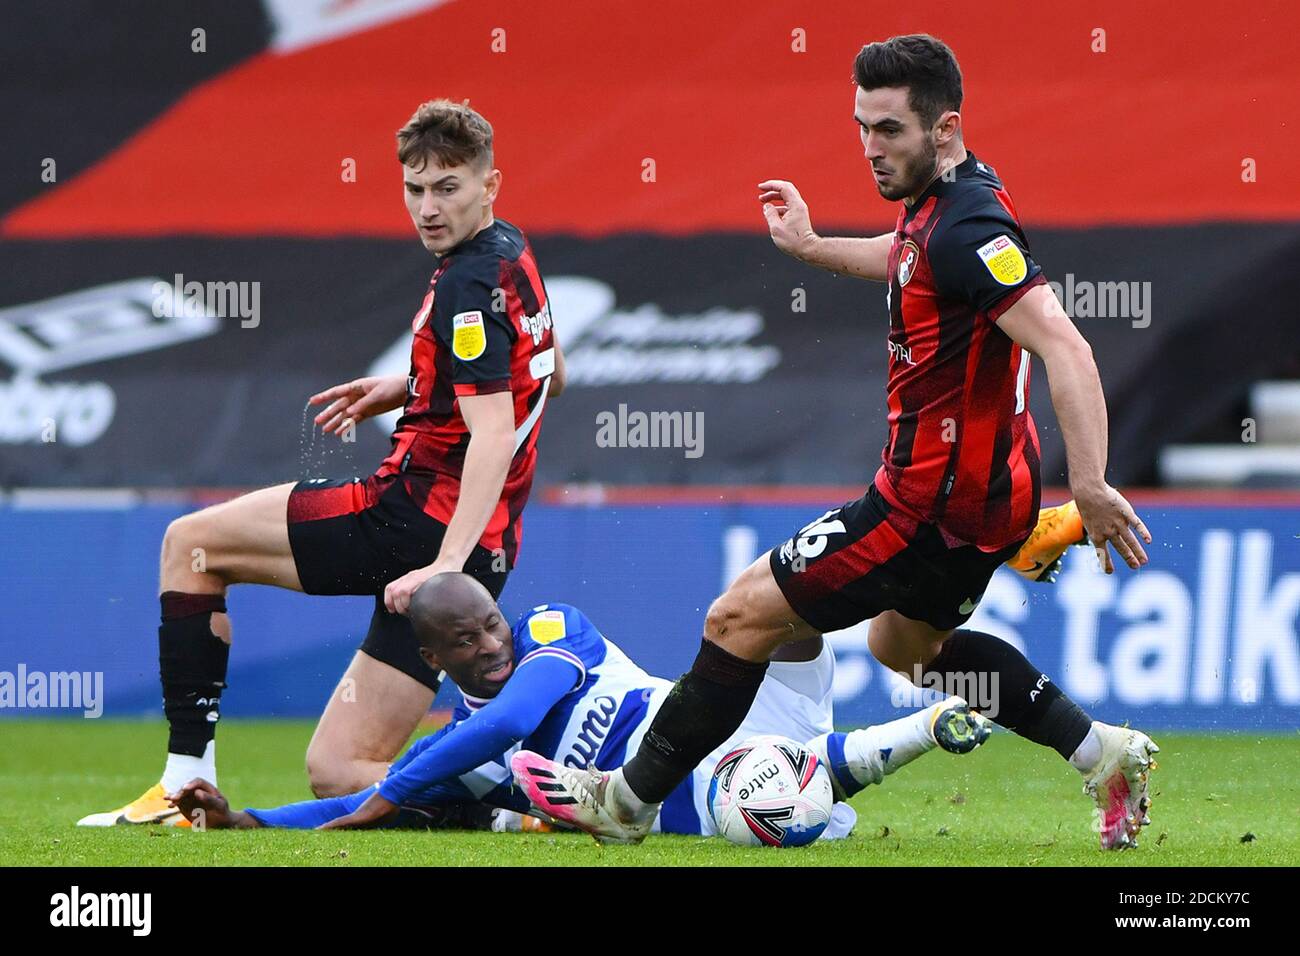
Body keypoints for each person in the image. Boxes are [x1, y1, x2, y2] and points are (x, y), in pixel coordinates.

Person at [511, 35, 1158, 850]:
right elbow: (911, 260)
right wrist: (816, 249)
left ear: (944, 128)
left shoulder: (967, 224)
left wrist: (1093, 485)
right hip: (988, 496)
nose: (869, 148)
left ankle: (626, 803)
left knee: (738, 618)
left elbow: (1065, 345)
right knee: (908, 647)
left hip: (924, 506)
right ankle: (1102, 753)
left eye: (888, 130)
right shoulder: (950, 200)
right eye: (861, 126)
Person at [80, 99, 564, 826]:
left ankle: (179, 790)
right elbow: (546, 373)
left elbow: (492, 434)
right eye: (414, 188)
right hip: (483, 542)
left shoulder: (465, 282)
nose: (428, 208)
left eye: (448, 188)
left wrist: (444, 566)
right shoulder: (511, 253)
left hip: (410, 522)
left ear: (490, 184)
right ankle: (533, 800)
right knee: (339, 771)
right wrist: (410, 386)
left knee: (191, 546)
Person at [164, 573, 990, 840]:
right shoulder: (470, 756)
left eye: (492, 622)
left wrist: (391, 788)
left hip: (739, 710)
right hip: (699, 790)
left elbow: (512, 722)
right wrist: (248, 823)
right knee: (770, 806)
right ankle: (899, 744)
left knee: (777, 606)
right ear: (432, 659)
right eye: (469, 641)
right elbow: (356, 805)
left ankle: (925, 591)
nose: (493, 643)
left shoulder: (554, 632)